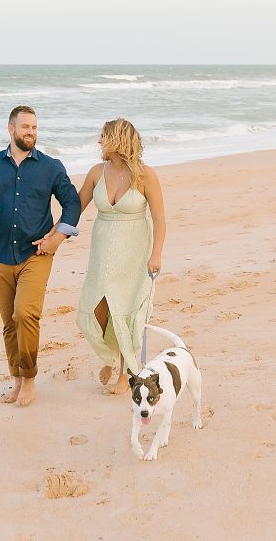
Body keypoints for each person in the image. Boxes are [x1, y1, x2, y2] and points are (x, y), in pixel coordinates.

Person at [0, 106, 81, 407]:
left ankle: (29, 380)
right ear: (11, 129)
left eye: (35, 127)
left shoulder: (51, 167)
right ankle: (15, 380)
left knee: (25, 314)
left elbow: (72, 202)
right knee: (8, 322)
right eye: (25, 126)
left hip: (36, 254)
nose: (31, 132)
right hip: (1, 255)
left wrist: (58, 237)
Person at [75, 118, 166, 394]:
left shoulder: (145, 175)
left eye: (103, 136)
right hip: (102, 252)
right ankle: (108, 356)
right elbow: (74, 210)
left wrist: (156, 254)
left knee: (125, 312)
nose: (99, 142)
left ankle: (124, 375)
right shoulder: (95, 173)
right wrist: (52, 234)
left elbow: (160, 219)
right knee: (96, 309)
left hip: (135, 251)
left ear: (116, 140)